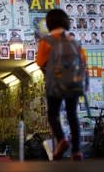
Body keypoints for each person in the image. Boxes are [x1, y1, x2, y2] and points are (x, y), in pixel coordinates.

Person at [36, 9, 86, 161]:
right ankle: (76, 151)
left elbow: (40, 62)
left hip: (55, 83)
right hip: (74, 83)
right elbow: (83, 61)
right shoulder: (74, 41)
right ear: (66, 22)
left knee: (53, 114)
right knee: (72, 115)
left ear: (49, 23)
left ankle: (61, 139)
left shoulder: (46, 41)